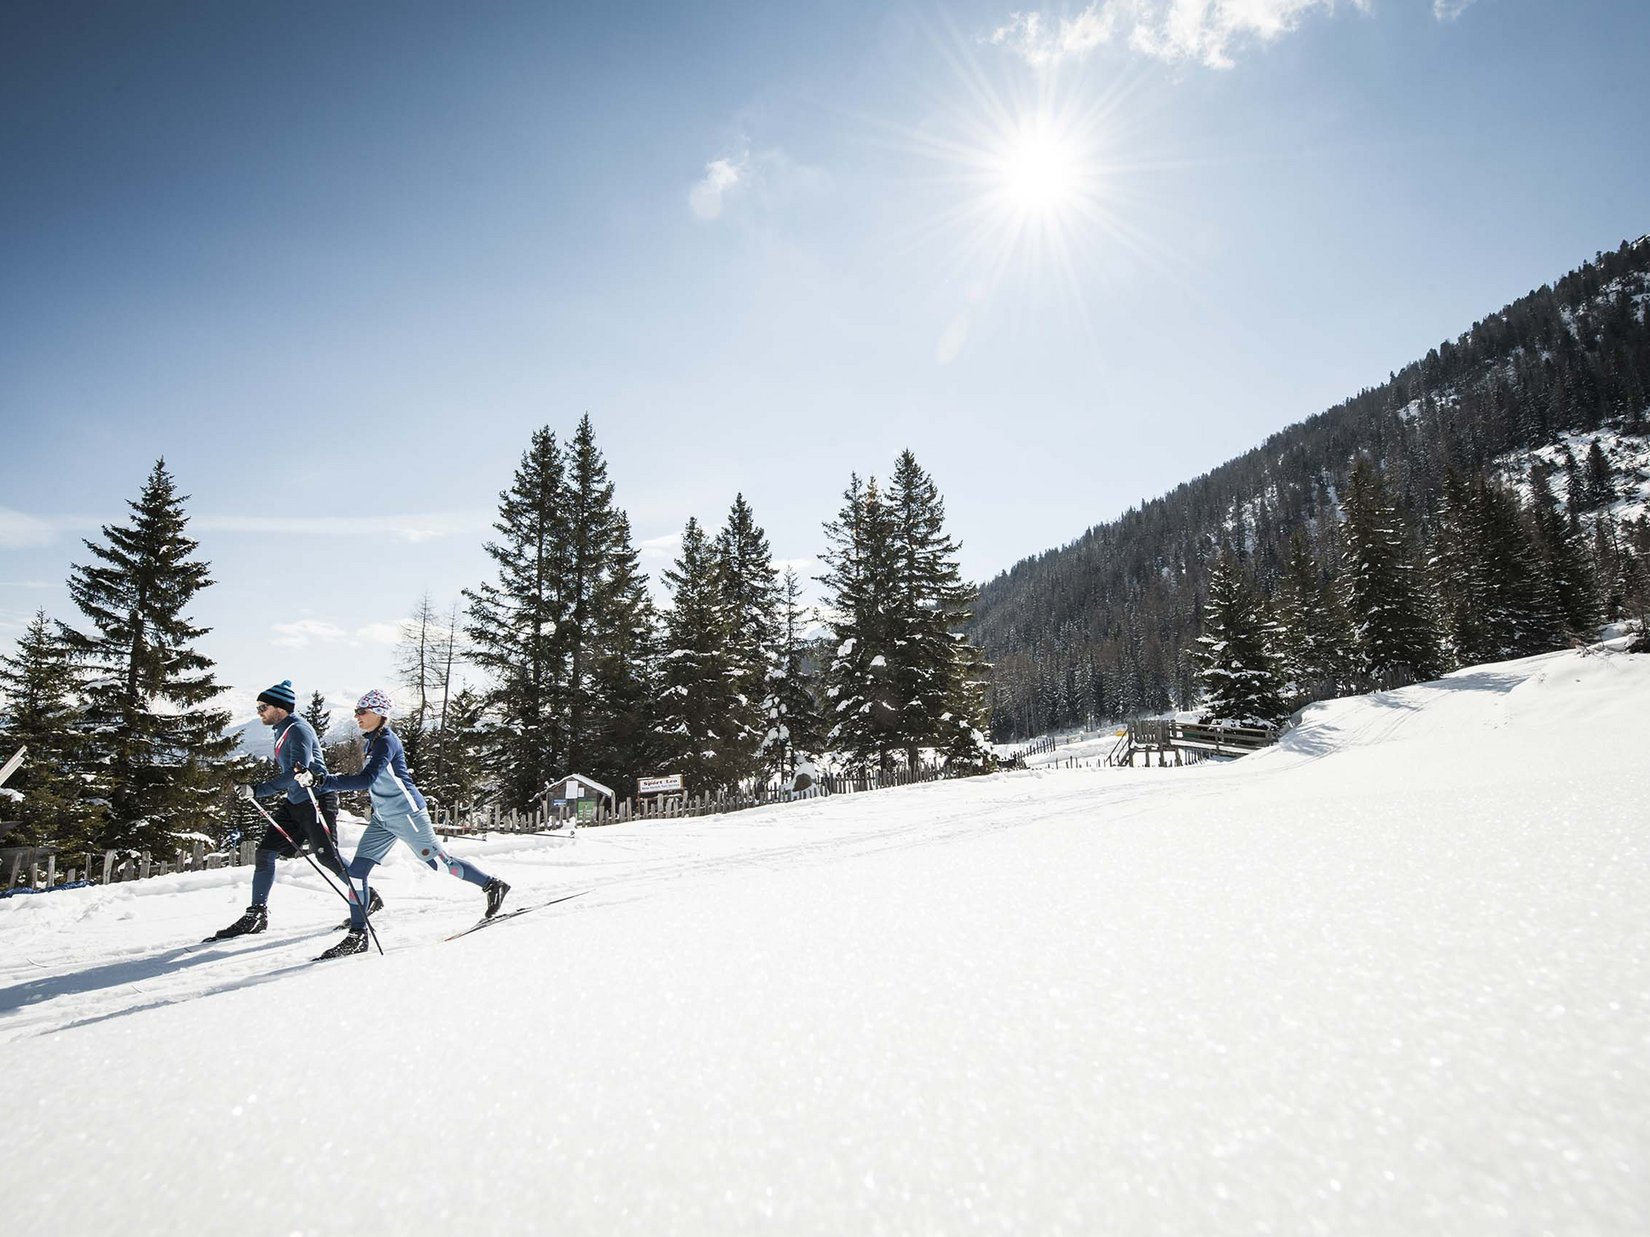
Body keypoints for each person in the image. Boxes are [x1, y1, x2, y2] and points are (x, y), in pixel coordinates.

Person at [302, 689, 507, 959]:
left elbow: (366, 780)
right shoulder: (370, 741)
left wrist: (323, 781)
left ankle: (492, 885)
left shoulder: (386, 741)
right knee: (356, 873)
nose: (357, 716)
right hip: (383, 818)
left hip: (406, 814)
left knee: (440, 864)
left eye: (362, 711)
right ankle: (357, 935)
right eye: (356, 711)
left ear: (379, 713)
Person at [210, 679, 372, 938]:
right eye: (258, 707)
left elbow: (297, 771)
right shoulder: (281, 728)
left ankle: (367, 897)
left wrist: (259, 789)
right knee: (265, 853)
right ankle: (256, 915)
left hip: (316, 799)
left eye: (263, 707)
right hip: (295, 802)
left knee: (327, 856)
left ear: (280, 708)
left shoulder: (297, 730)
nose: (259, 712)